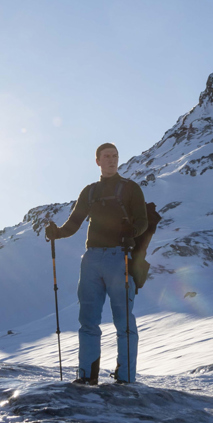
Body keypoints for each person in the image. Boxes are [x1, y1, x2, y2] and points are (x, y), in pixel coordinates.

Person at [45, 143, 148, 385]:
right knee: (88, 320)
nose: (112, 160)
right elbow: (74, 224)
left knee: (123, 321)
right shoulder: (89, 192)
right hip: (91, 259)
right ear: (97, 161)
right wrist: (56, 233)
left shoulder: (131, 188)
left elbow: (142, 221)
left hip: (119, 257)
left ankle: (125, 379)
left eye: (115, 156)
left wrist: (131, 231)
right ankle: (87, 377)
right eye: (106, 157)